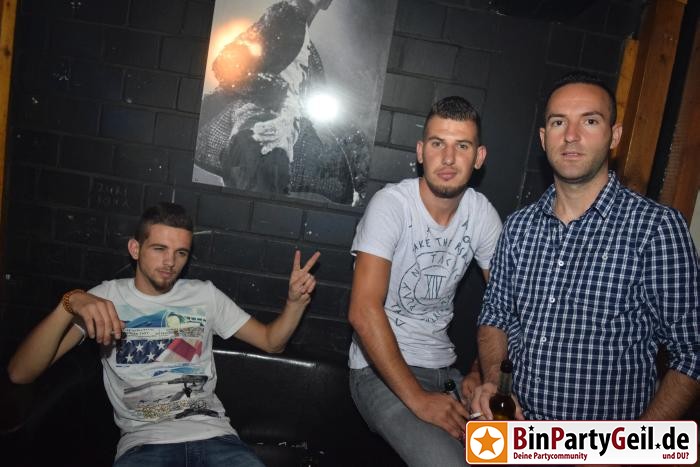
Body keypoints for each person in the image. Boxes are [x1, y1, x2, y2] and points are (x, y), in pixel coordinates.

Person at [7, 202, 321, 466]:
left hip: (215, 438)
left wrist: (294, 304)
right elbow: (20, 373)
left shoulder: (205, 295)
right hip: (144, 447)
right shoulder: (104, 298)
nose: (170, 262)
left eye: (181, 253)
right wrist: (70, 303)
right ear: (135, 248)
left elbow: (271, 342)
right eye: (160, 249)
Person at [472, 71, 699, 422]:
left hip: (603, 445)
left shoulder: (655, 229)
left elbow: (693, 352)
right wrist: (493, 383)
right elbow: (495, 316)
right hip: (516, 433)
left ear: (614, 136)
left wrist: (631, 445)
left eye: (590, 121)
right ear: (544, 139)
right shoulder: (519, 227)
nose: (571, 135)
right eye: (559, 122)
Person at [348, 96, 503, 466]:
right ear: (421, 152)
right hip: (379, 373)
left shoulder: (480, 214)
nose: (448, 158)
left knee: (500, 457)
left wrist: (479, 373)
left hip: (445, 376)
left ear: (479, 157)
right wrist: (418, 400)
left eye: (461, 146)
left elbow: (505, 306)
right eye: (437, 144)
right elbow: (363, 311)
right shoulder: (392, 205)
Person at [195, 0, 369, 206]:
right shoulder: (283, 16)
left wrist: (356, 153)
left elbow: (323, 113)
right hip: (254, 139)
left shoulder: (309, 50)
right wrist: (268, 86)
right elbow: (225, 63)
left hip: (280, 149)